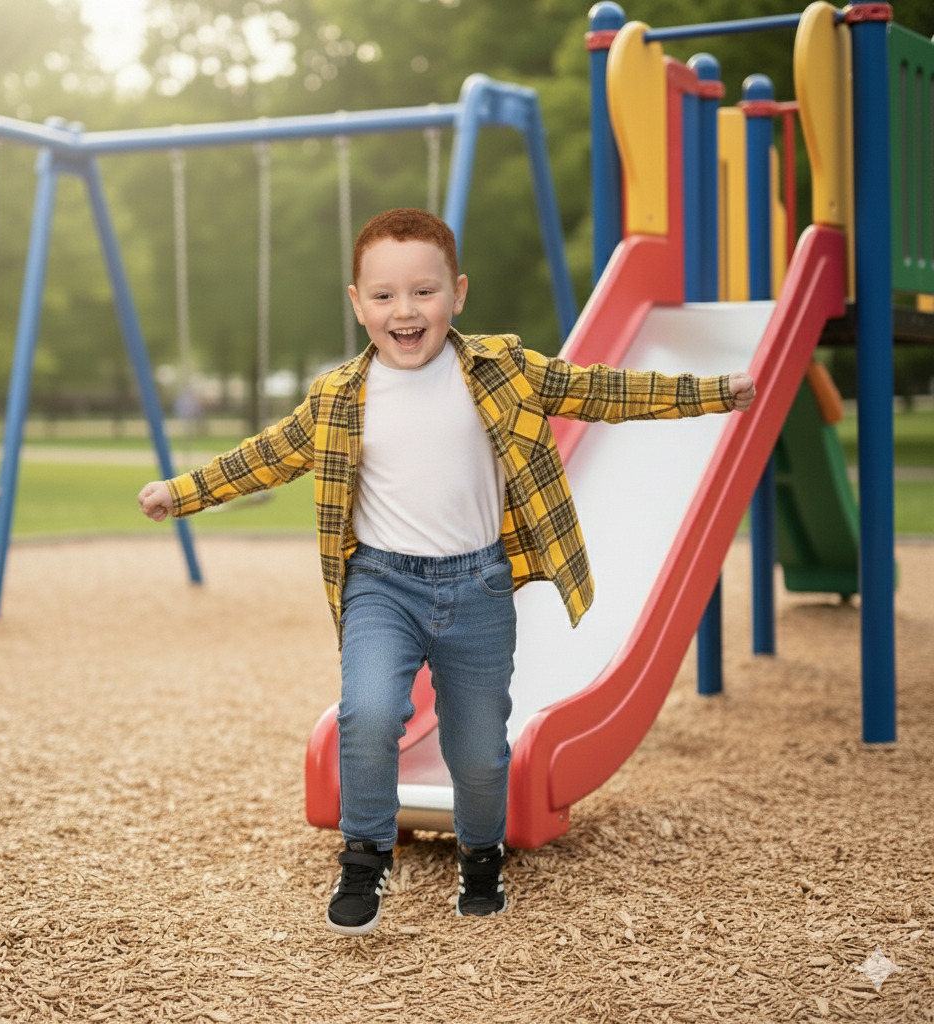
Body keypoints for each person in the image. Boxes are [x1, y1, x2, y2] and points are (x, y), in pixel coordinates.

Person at [138, 207, 756, 937]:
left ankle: (481, 854)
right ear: (357, 302)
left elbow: (605, 392)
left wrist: (713, 393)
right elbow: (263, 455)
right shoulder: (340, 398)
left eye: (424, 292)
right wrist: (182, 493)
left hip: (480, 588)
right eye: (385, 295)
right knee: (367, 716)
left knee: (479, 749)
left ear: (457, 293)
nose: (405, 311)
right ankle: (365, 858)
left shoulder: (501, 372)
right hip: (381, 585)